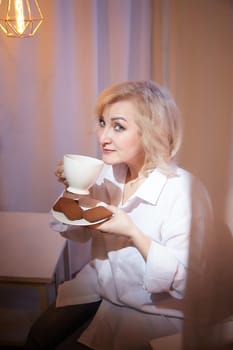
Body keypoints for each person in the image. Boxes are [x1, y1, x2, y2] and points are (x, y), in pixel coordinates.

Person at [25, 80, 213, 350]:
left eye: (118, 126)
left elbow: (190, 283)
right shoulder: (105, 172)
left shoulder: (184, 191)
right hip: (102, 284)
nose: (103, 137)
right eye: (102, 122)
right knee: (38, 337)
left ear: (152, 131)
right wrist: (74, 188)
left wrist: (133, 233)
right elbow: (70, 230)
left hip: (155, 307)